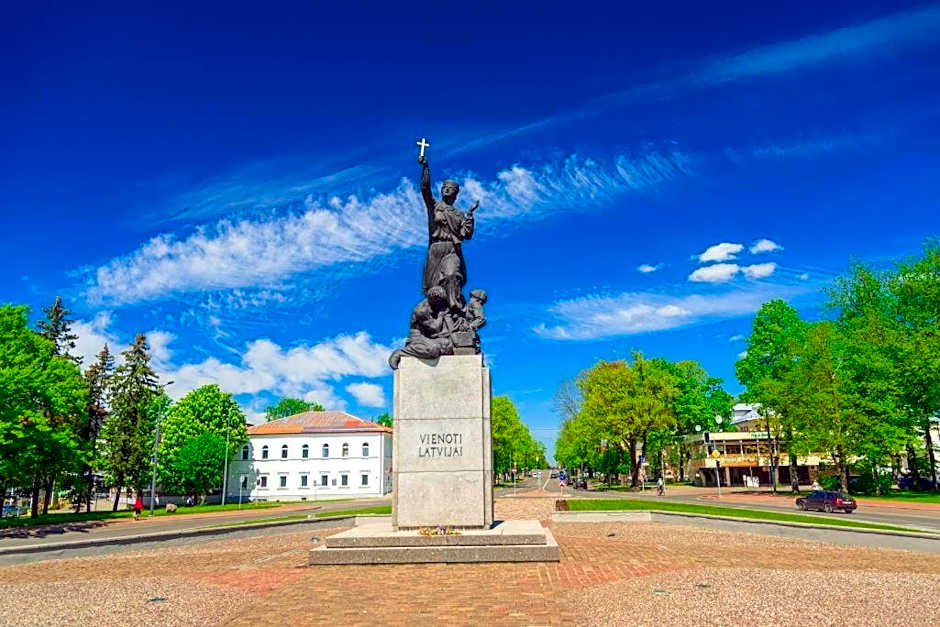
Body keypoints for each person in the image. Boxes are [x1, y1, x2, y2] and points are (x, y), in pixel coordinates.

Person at [419, 155, 478, 311]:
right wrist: (426, 168)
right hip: (436, 249)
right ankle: (437, 314)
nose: (445, 189)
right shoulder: (434, 206)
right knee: (434, 287)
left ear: (455, 193)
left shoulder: (458, 214)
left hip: (452, 249)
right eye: (444, 186)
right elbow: (425, 190)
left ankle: (454, 306)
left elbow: (466, 234)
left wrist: (469, 216)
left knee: (452, 274)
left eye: (450, 188)